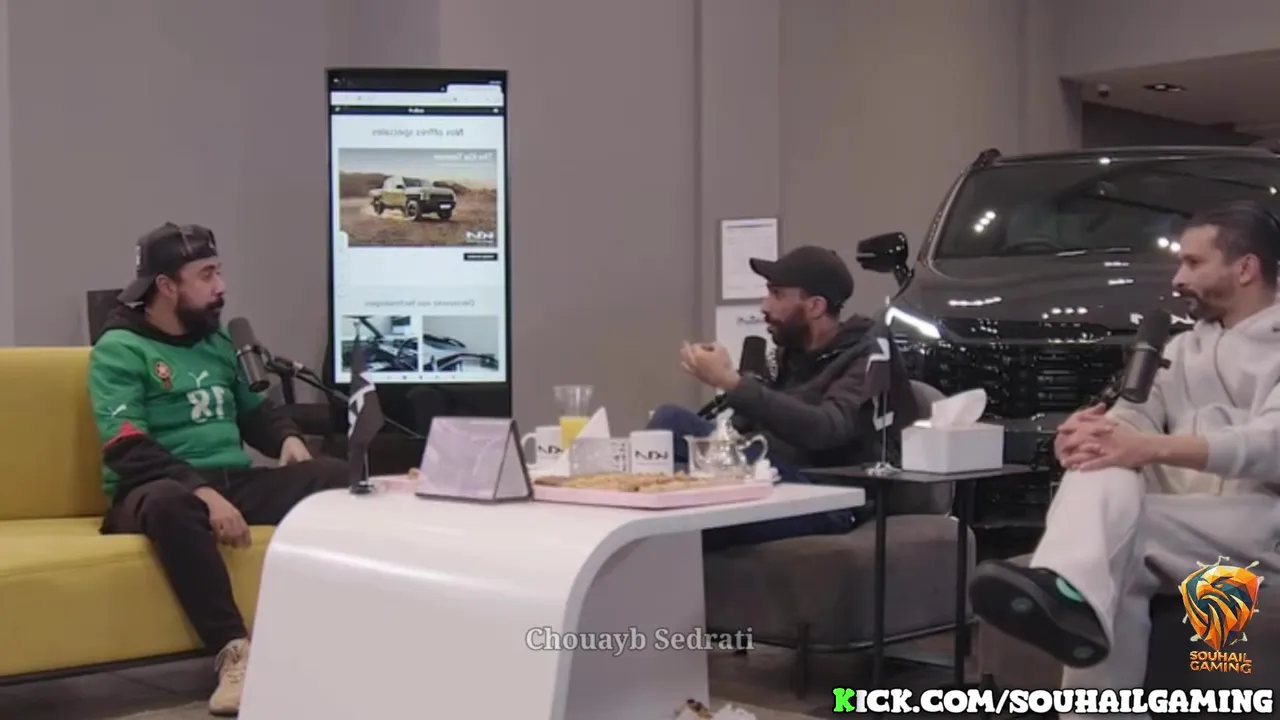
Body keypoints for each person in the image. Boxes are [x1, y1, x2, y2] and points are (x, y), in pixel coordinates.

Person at [968, 200, 1280, 713]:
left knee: (1124, 535)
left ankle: (1068, 592)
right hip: (1186, 524)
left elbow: (1270, 446)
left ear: (1245, 268)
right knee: (1102, 477)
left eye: (1193, 263)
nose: (1178, 279)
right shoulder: (1181, 349)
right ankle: (1070, 600)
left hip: (1260, 529)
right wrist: (1092, 435)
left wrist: (1148, 447)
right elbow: (1136, 415)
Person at [90, 223, 347, 717]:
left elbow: (255, 412)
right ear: (166, 286)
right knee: (172, 503)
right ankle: (234, 652)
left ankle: (340, 636)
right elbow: (126, 447)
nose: (221, 286)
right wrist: (202, 493)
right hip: (152, 489)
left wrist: (288, 440)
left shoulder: (217, 342)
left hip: (233, 482)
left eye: (219, 272)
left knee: (335, 478)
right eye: (206, 275)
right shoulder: (119, 348)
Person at [648, 245, 919, 550]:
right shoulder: (788, 356)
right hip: (774, 477)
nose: (764, 306)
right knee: (668, 434)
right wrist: (741, 399)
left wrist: (732, 383)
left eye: (777, 295)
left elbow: (828, 427)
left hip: (828, 498)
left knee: (674, 458)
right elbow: (745, 430)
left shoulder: (867, 355)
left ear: (815, 306)